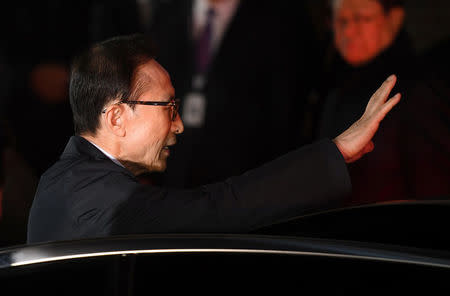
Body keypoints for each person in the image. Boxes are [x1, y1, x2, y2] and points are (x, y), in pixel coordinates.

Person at [27, 34, 401, 244]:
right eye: (168, 107)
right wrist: (335, 152)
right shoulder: (103, 199)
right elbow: (220, 207)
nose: (179, 126)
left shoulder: (67, 181)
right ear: (117, 117)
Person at [146, 0, 319, 188]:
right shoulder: (166, 10)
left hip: (246, 182)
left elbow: (288, 110)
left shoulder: (282, 18)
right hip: (172, 178)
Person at [306, 0, 450, 205]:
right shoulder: (329, 92)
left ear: (394, 17)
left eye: (362, 18)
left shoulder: (418, 93)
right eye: (341, 20)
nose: (348, 31)